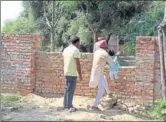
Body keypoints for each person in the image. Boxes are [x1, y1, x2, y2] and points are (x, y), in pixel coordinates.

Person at [89, 40, 117, 111]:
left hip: (96, 71)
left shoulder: (96, 52)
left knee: (104, 79)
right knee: (101, 89)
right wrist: (116, 56)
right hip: (98, 73)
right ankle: (94, 105)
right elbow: (112, 63)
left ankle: (109, 93)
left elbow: (101, 61)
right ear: (105, 47)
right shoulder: (104, 53)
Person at [63, 36, 82, 112]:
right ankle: (69, 106)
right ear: (77, 42)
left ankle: (65, 104)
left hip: (66, 71)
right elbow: (78, 64)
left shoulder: (66, 49)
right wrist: (80, 75)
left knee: (67, 88)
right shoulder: (75, 50)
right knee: (70, 89)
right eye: (79, 43)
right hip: (72, 72)